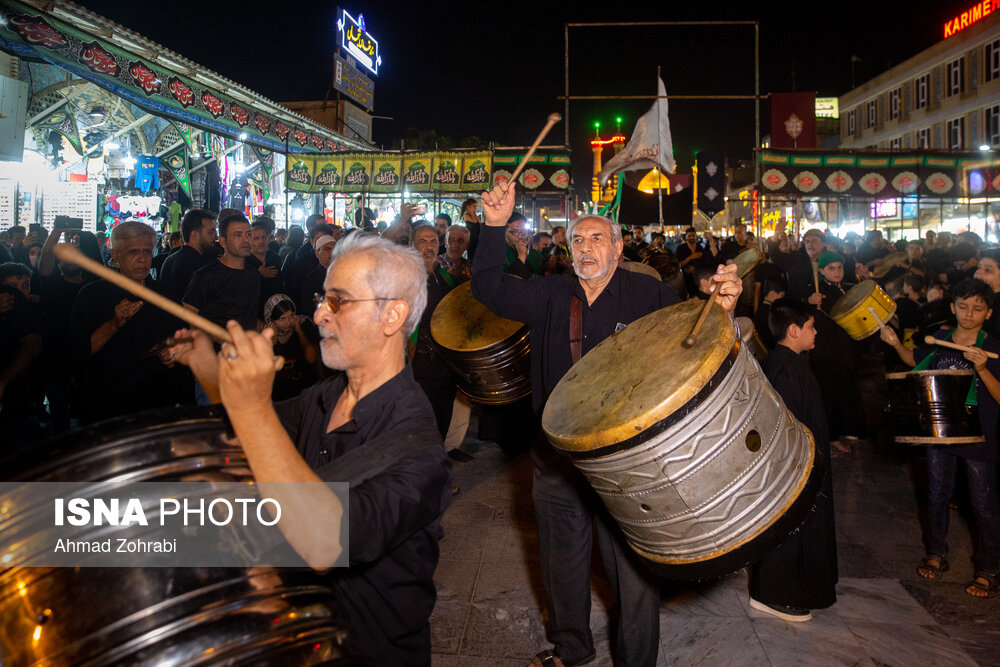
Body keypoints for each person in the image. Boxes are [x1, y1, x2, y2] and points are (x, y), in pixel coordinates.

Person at [471, 182, 743, 667]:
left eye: (597, 239)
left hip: (627, 459)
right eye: (578, 240)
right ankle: (571, 648)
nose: (586, 247)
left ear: (618, 248)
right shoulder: (552, 293)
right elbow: (489, 287)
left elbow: (693, 339)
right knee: (561, 561)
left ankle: (637, 659)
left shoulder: (648, 294)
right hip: (557, 456)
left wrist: (722, 306)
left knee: (633, 569)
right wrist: (493, 226)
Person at [168, 232, 452, 665]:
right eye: (323, 297)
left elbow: (324, 542)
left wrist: (252, 405)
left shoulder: (418, 447)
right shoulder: (322, 397)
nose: (318, 314)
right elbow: (255, 437)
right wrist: (210, 368)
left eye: (339, 301)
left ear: (392, 315)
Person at [880, 278, 1000, 598]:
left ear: (988, 313)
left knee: (984, 504)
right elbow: (913, 360)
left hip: (979, 437)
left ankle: (989, 566)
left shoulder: (994, 347)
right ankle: (936, 552)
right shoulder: (941, 338)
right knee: (936, 494)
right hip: (941, 433)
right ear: (952, 308)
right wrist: (894, 343)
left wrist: (984, 368)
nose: (969, 314)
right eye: (963, 307)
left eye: (977, 309)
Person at [750, 298, 838, 621]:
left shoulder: (789, 361)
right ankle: (772, 594)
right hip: (794, 468)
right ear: (793, 330)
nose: (816, 332)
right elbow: (785, 425)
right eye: (811, 326)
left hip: (805, 464)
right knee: (788, 531)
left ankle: (784, 590)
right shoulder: (784, 368)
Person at [66, 221, 192, 424]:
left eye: (147, 252)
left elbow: (185, 339)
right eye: (133, 252)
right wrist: (113, 325)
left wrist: (175, 352)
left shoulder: (166, 295)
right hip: (109, 405)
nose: (142, 259)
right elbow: (76, 353)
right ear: (115, 255)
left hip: (159, 402)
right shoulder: (92, 295)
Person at [410, 223, 458, 439]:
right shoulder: (407, 277)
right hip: (420, 363)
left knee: (442, 417)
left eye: (433, 241)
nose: (428, 247)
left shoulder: (445, 277)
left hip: (445, 363)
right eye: (422, 241)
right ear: (412, 245)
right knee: (420, 421)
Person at [183, 212, 261, 331]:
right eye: (238, 235)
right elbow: (189, 316)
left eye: (248, 234)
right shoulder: (205, 276)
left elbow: (249, 316)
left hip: (246, 347)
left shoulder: (253, 274)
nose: (246, 240)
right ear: (223, 241)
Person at [263, 294, 319, 401]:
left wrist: (299, 330)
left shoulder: (303, 325)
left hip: (304, 393)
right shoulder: (266, 336)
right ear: (271, 321)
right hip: (280, 398)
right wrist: (269, 344)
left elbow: (311, 358)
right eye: (282, 319)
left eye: (291, 316)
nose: (288, 322)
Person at [160, 209, 217, 295]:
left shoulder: (170, 260)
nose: (216, 237)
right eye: (211, 232)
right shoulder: (201, 264)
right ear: (194, 235)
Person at [247, 218, 284, 313]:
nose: (261, 241)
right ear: (250, 241)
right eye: (256, 238)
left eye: (263, 237)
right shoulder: (245, 260)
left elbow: (279, 285)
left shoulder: (275, 258)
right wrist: (258, 274)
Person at [299, 234, 336, 316]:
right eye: (327, 249)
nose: (332, 253)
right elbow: (309, 308)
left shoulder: (344, 275)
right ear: (317, 253)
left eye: (335, 249)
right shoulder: (311, 279)